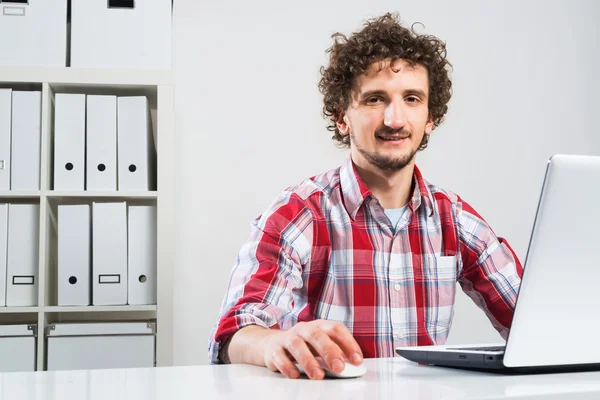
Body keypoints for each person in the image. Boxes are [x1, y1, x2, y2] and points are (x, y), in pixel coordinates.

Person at [208, 12, 523, 380]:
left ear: (430, 117)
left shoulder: (454, 219)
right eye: (375, 99)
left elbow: (534, 323)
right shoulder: (299, 213)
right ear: (343, 117)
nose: (394, 118)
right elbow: (234, 335)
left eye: (412, 98)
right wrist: (270, 343)